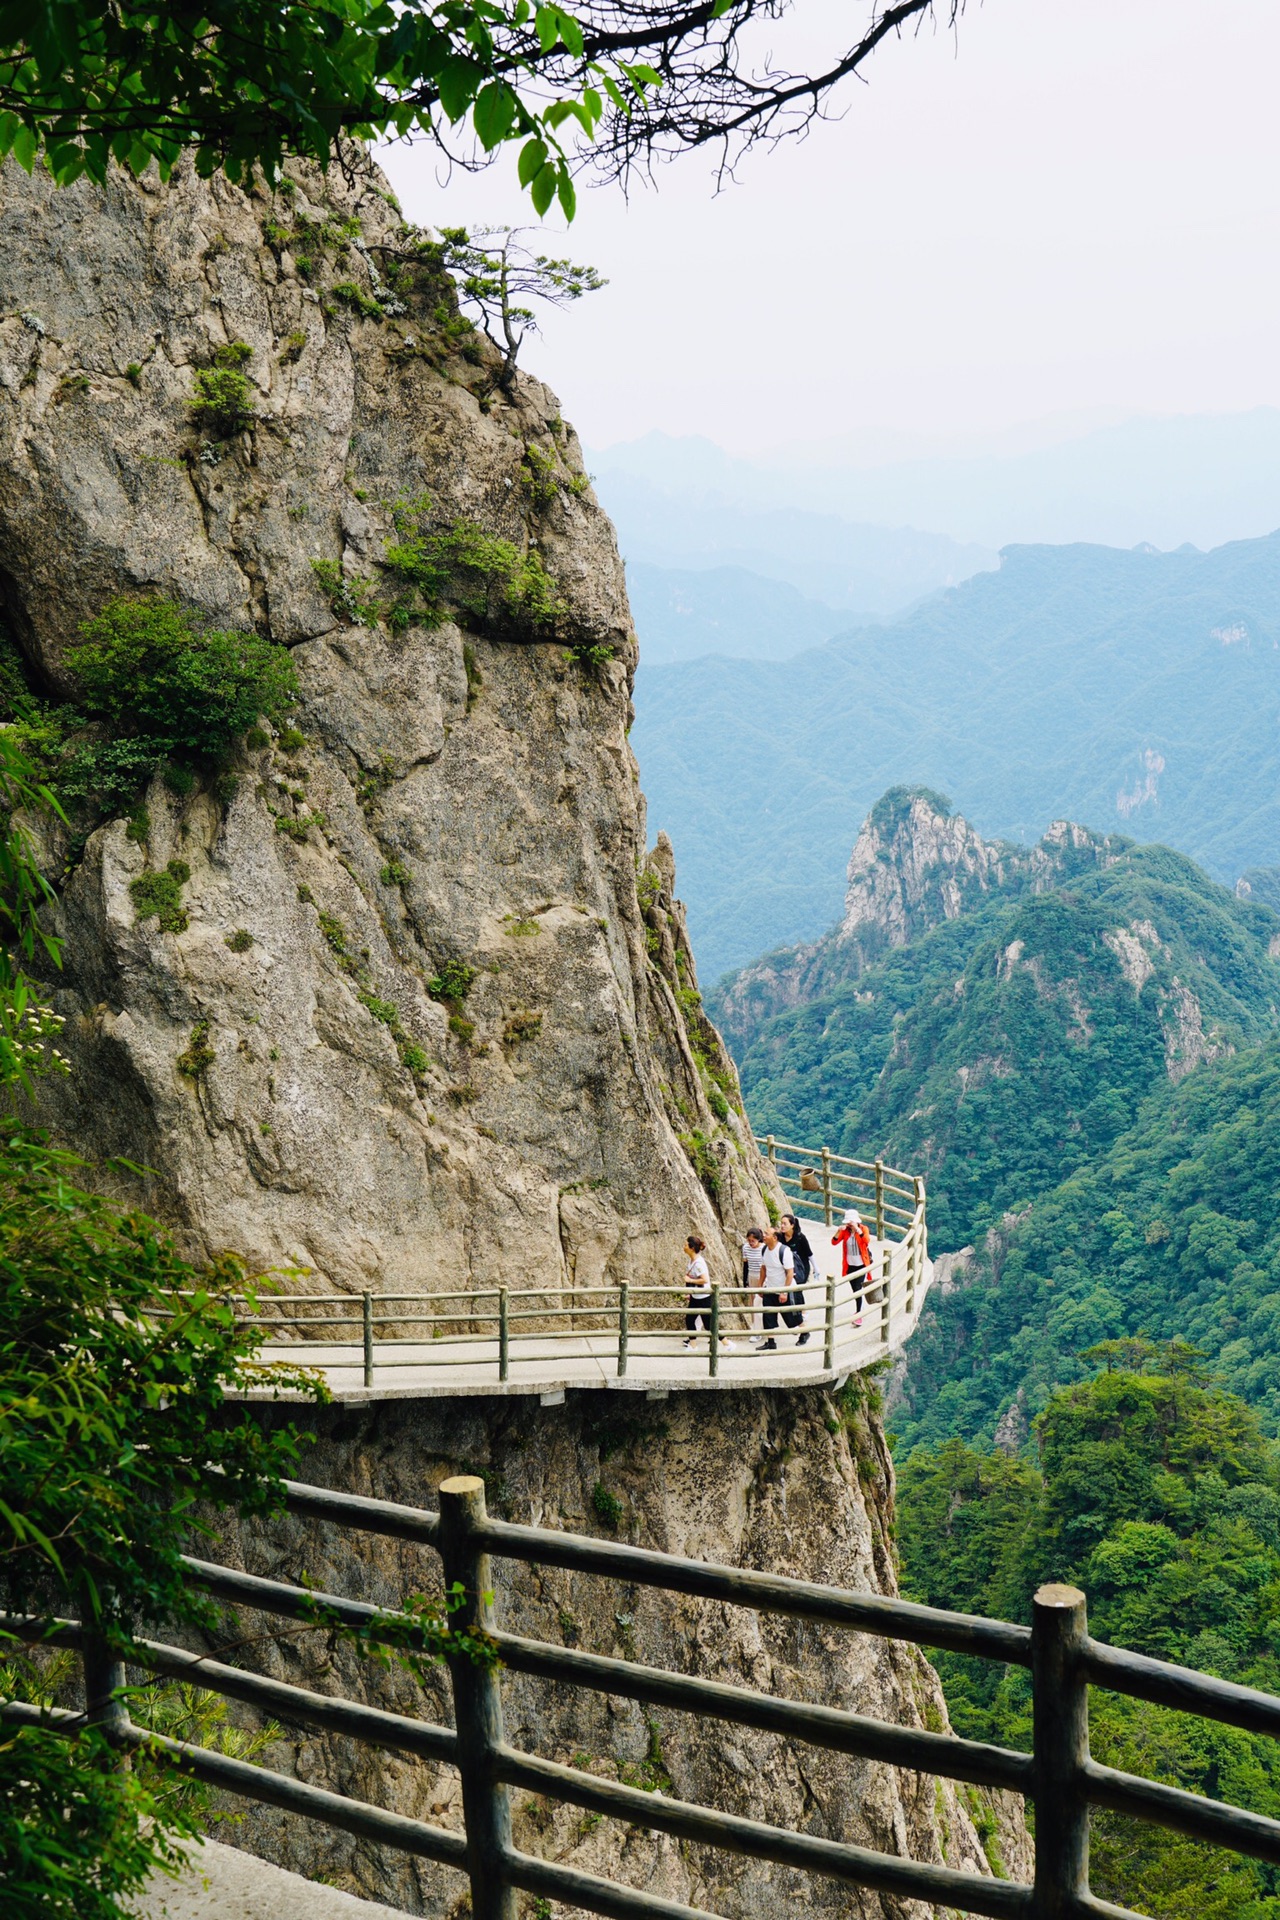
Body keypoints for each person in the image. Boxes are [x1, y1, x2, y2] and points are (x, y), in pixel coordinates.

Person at [756, 1223, 796, 1351]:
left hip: (783, 1288)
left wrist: (784, 1292)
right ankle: (771, 1342)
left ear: (775, 1237)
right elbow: (763, 1269)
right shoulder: (764, 1249)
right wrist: (760, 1286)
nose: (764, 1235)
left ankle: (805, 1332)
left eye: (767, 1234)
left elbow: (790, 1272)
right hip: (770, 1287)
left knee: (791, 1317)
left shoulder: (784, 1251)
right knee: (768, 1315)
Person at [832, 1208, 873, 1325]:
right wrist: (838, 1231)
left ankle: (859, 1313)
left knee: (857, 1289)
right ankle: (860, 1308)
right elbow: (834, 1242)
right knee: (854, 1289)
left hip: (861, 1264)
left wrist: (857, 1230)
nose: (849, 1225)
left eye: (851, 1222)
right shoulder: (845, 1231)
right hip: (849, 1265)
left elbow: (866, 1241)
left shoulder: (864, 1229)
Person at [777, 1213, 813, 1346]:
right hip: (787, 1270)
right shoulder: (780, 1237)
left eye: (785, 1223)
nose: (782, 1226)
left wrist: (816, 1269)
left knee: (797, 1293)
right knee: (793, 1295)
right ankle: (800, 1319)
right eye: (781, 1223)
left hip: (801, 1269)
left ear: (792, 1225)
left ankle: (802, 1318)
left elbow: (809, 1254)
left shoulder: (800, 1237)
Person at [683, 1234, 713, 1347]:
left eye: (685, 1245)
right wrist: (690, 1293)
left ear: (691, 1248)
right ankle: (693, 1345)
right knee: (690, 1319)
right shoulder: (692, 1261)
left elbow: (704, 1280)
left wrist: (689, 1279)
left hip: (703, 1297)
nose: (683, 1247)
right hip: (696, 1296)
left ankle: (727, 1343)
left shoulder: (698, 1262)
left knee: (708, 1325)